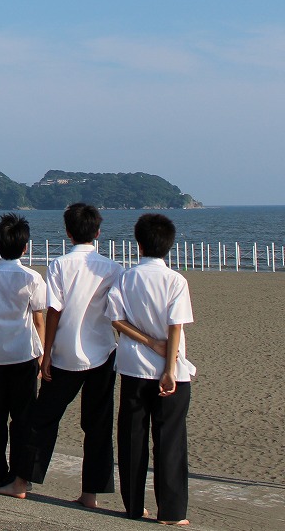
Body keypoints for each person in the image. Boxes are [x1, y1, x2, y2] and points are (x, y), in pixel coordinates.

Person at [0, 203, 121, 505]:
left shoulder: (59, 265)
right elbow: (116, 313)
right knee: (97, 425)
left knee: (42, 420)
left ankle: (22, 481)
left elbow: (54, 311)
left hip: (65, 352)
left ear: (68, 232)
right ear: (98, 232)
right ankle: (90, 493)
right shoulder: (113, 268)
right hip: (103, 352)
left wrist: (47, 352)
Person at [107, 213, 195, 526]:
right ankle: (171, 513)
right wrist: (169, 367)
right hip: (171, 372)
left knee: (132, 438)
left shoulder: (126, 277)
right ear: (169, 245)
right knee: (169, 441)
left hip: (133, 368)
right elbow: (175, 328)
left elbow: (115, 318)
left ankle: (133, 507)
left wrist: (145, 341)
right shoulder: (175, 281)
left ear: (139, 244)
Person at [0, 213, 46, 488]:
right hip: (23, 355)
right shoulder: (32, 277)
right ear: (25, 247)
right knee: (23, 419)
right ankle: (20, 474)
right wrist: (42, 354)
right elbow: (38, 319)